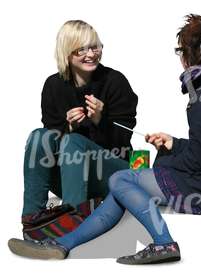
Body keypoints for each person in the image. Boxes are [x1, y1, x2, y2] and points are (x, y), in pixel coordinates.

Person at [8, 14, 201, 264]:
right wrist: (174, 145)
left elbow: (198, 162)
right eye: (81, 49)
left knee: (122, 177)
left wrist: (155, 165)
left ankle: (161, 241)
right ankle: (56, 239)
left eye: (181, 51)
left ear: (195, 52)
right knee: (46, 139)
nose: (90, 53)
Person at [18, 20, 138, 235]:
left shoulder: (115, 81)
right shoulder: (53, 86)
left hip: (112, 173)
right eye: (81, 49)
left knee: (73, 142)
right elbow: (51, 142)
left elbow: (122, 141)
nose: (90, 54)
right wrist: (70, 128)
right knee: (39, 136)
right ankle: (32, 218)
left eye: (95, 46)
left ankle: (73, 220)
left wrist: (100, 119)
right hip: (70, 177)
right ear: (67, 53)